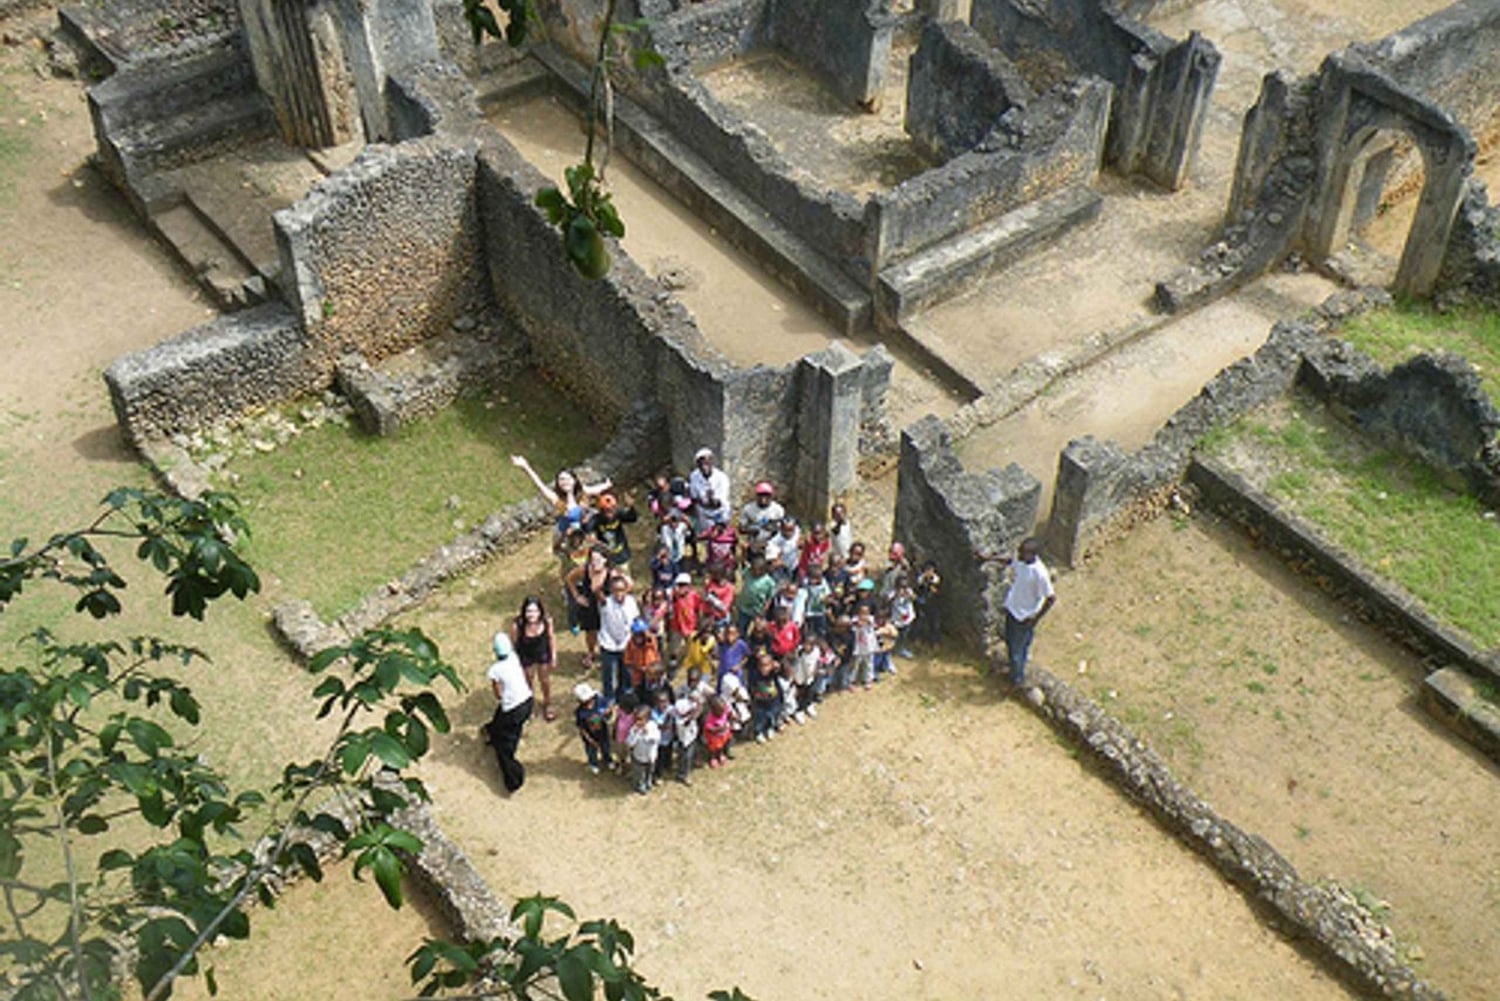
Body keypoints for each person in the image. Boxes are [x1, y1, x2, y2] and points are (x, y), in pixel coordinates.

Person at [999, 537, 1056, 686]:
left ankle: (1017, 680)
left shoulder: (1040, 574)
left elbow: (1051, 598)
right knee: (1015, 643)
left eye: (1022, 552)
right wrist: (988, 558)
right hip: (1013, 610)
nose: (1018, 554)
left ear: (1032, 555)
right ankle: (1017, 668)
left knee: (1016, 650)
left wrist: (1035, 618)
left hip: (1024, 617)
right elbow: (1009, 561)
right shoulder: (1022, 561)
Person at [482, 632, 534, 793]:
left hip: (513, 709)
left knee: (504, 746)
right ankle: (490, 731)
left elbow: (498, 694)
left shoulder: (495, 670)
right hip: (527, 701)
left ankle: (513, 778)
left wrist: (504, 694)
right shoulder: (514, 658)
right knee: (500, 719)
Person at [511, 456, 611, 517]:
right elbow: (539, 484)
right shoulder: (556, 498)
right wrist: (526, 466)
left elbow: (596, 489)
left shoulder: (582, 491)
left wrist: (606, 484)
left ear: (574, 480)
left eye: (567, 479)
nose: (564, 482)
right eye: (561, 480)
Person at [510, 596, 558, 722]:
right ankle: (529, 706)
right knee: (528, 682)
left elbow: (551, 638)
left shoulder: (547, 621)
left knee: (545, 680)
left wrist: (553, 656)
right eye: (528, 611)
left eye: (534, 611)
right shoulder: (518, 625)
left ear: (540, 611)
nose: (531, 615)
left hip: (542, 653)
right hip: (526, 655)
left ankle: (548, 703)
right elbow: (514, 644)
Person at [598, 573, 639, 699]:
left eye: (622, 590)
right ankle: (609, 698)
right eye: (615, 590)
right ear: (611, 591)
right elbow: (596, 589)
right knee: (608, 674)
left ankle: (623, 695)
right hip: (608, 643)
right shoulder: (606, 602)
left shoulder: (631, 602)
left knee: (625, 672)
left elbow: (635, 619)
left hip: (626, 644)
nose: (619, 593)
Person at [574, 682, 615, 774]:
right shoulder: (580, 712)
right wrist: (589, 739)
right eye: (586, 700)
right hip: (590, 736)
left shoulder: (599, 700)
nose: (590, 701)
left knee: (606, 747)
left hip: (603, 731)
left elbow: (609, 704)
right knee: (591, 751)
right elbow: (581, 728)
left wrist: (608, 710)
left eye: (590, 698)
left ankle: (608, 760)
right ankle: (593, 763)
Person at [625, 704, 661, 795]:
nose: (638, 722)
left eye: (640, 720)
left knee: (650, 771)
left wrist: (647, 734)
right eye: (636, 719)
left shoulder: (652, 726)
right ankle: (640, 786)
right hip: (638, 757)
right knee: (639, 773)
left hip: (650, 757)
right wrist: (636, 734)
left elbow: (656, 738)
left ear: (647, 719)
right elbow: (630, 743)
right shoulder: (634, 729)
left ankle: (648, 782)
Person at [739, 481, 785, 546]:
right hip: (754, 543)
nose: (763, 498)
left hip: (773, 544)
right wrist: (752, 529)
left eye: (766, 495)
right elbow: (741, 528)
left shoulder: (778, 509)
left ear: (771, 496)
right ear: (757, 495)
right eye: (761, 495)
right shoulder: (748, 508)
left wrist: (773, 528)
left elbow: (783, 529)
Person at [702, 695, 733, 769]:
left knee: (721, 746)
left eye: (722, 710)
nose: (721, 713)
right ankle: (713, 758)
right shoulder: (710, 717)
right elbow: (709, 728)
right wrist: (718, 729)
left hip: (723, 733)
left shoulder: (724, 710)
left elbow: (729, 714)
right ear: (713, 710)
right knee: (713, 748)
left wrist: (731, 718)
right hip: (713, 736)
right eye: (719, 711)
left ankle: (720, 754)